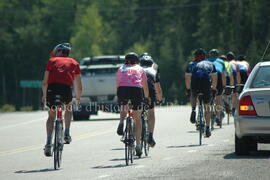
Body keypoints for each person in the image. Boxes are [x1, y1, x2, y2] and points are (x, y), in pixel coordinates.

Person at [42, 43, 82, 157]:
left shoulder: (51, 61)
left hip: (52, 89)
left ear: (58, 52)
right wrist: (78, 97)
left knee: (51, 116)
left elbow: (45, 82)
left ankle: (49, 143)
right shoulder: (74, 63)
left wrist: (44, 95)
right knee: (68, 108)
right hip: (66, 90)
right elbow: (78, 85)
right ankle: (67, 134)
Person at [116, 52, 150, 156]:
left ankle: (121, 122)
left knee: (124, 105)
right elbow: (145, 86)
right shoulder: (140, 69)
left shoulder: (121, 68)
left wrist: (119, 95)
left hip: (122, 90)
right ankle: (138, 146)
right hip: (136, 90)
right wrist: (147, 98)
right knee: (137, 119)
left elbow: (118, 84)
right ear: (137, 61)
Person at [185, 48, 217, 137]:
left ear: (195, 56)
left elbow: (187, 78)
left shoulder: (191, 64)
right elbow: (214, 78)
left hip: (195, 82)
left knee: (193, 94)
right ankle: (207, 128)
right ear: (205, 56)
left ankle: (193, 109)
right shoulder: (210, 64)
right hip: (206, 83)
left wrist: (188, 89)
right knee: (207, 107)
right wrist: (213, 89)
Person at [139, 54, 163, 147]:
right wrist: (160, 99)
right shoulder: (154, 70)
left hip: (138, 90)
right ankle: (150, 136)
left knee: (137, 113)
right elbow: (158, 88)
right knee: (151, 113)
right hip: (150, 90)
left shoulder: (137, 69)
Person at [207, 49, 226, 126]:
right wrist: (224, 85)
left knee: (207, 97)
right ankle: (218, 117)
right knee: (219, 98)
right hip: (218, 75)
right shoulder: (221, 61)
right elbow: (223, 75)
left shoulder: (207, 61)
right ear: (217, 55)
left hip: (209, 75)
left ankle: (209, 112)